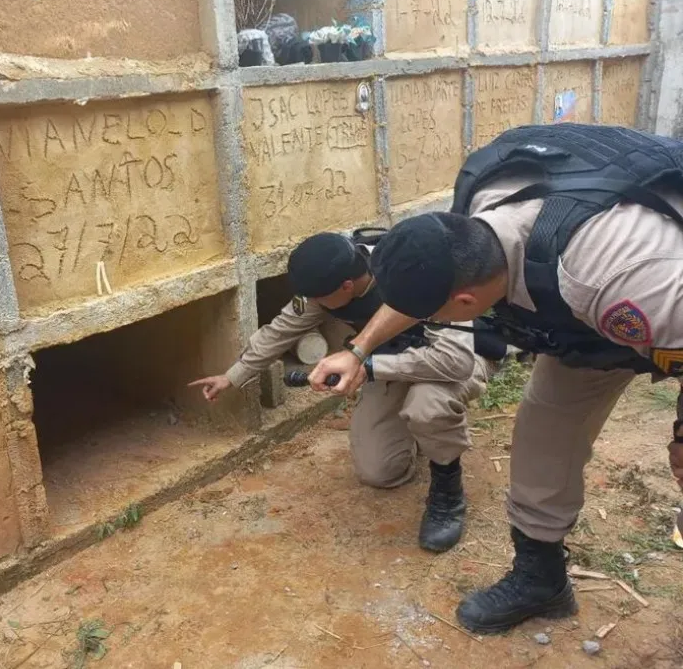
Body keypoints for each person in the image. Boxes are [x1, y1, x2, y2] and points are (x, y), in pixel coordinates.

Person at [306, 123, 683, 635]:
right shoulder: (474, 218)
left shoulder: (617, 279)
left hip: (660, 291)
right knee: (541, 437)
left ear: (465, 305)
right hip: (587, 328)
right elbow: (422, 290)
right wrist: (359, 348)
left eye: (435, 316)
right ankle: (541, 578)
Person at [189, 230, 507, 552]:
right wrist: (232, 375)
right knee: (378, 471)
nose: (313, 304)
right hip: (393, 361)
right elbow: (281, 330)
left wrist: (367, 368)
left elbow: (455, 362)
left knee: (427, 405)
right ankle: (420, 434)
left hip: (458, 358)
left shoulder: (418, 272)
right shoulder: (331, 282)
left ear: (346, 286)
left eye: (319, 298)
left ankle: (447, 491)